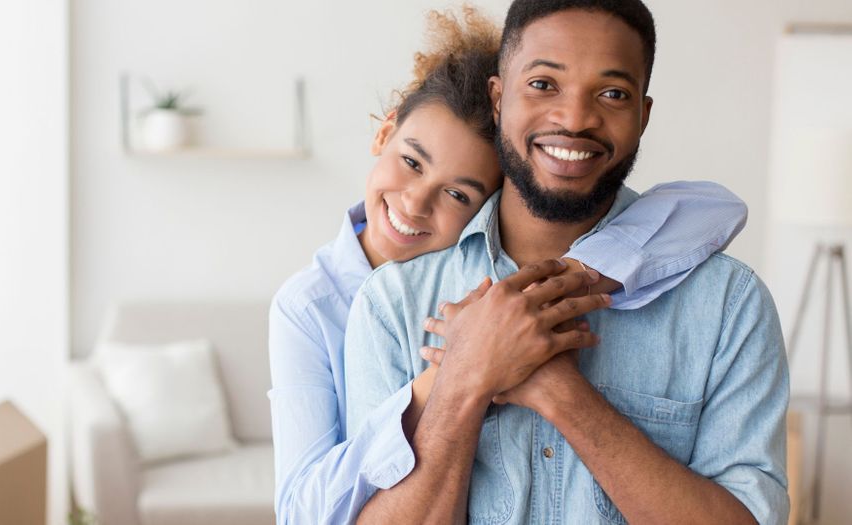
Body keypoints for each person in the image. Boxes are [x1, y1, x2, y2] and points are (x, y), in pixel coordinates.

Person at [271, 6, 751, 525]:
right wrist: (461, 370)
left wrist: (567, 303)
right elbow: (305, 511)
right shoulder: (357, 303)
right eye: (544, 84)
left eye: (458, 192)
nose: (413, 205)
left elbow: (715, 207)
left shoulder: (723, 300)